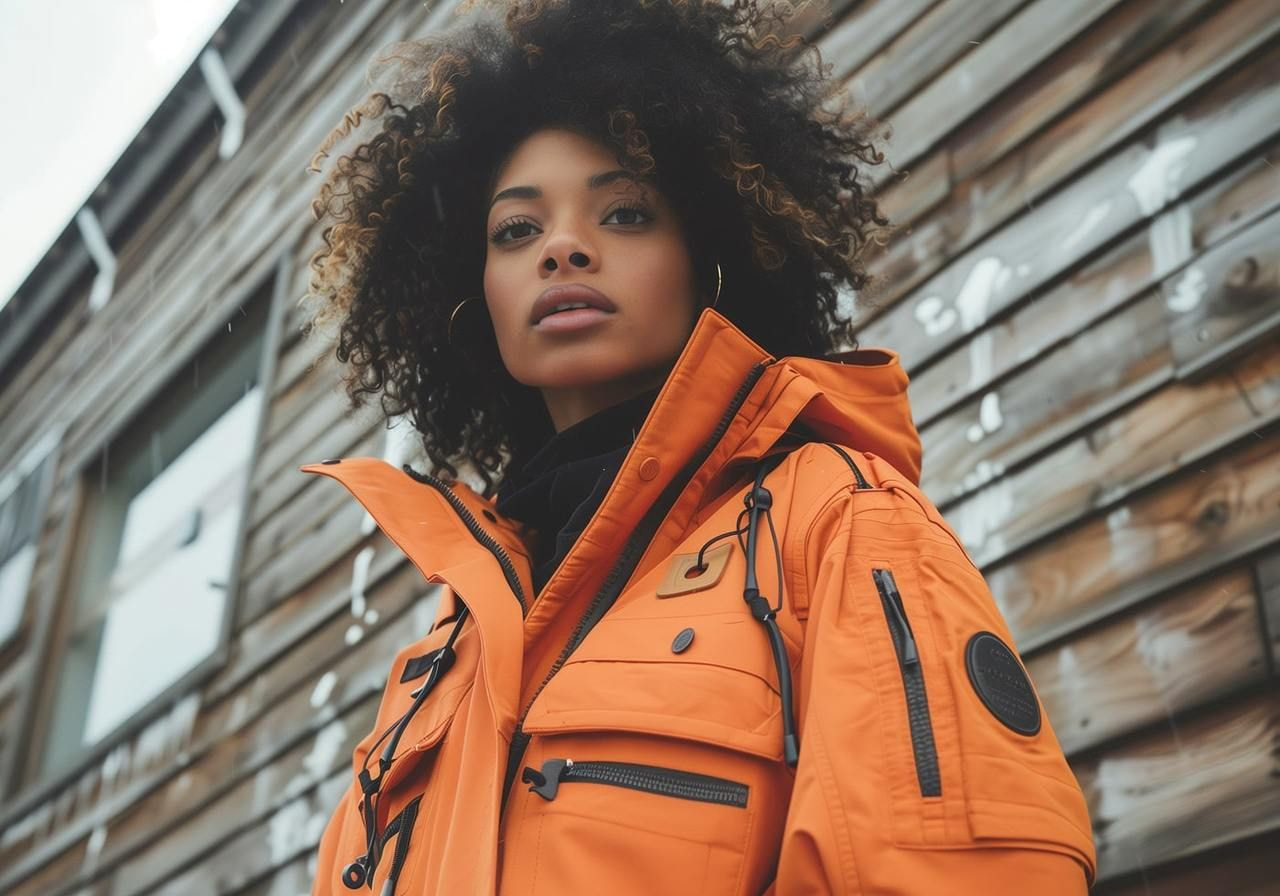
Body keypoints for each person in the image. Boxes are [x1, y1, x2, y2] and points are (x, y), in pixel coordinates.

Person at [298, 1, 1097, 893]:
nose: (562, 246)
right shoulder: (437, 666)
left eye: (626, 213)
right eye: (516, 230)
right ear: (469, 296)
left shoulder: (836, 517)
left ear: (709, 258)